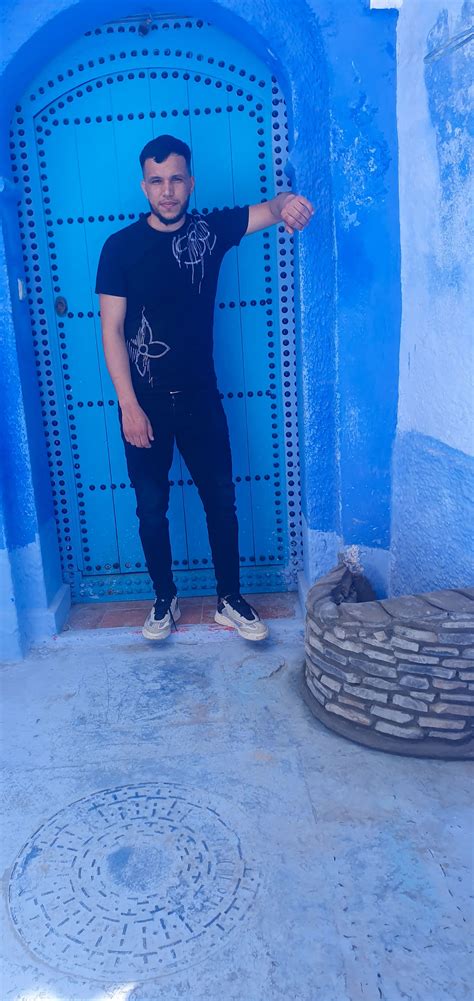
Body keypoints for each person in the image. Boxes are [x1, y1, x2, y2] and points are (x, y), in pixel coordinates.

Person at [96, 135, 314, 642]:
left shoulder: (210, 232)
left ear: (190, 182)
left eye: (176, 179)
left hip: (200, 398)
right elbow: (111, 330)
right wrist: (128, 406)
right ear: (144, 186)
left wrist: (288, 204)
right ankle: (164, 599)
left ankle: (229, 600)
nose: (167, 190)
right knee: (151, 507)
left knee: (221, 500)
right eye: (157, 181)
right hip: (145, 403)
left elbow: (269, 210)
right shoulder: (119, 248)